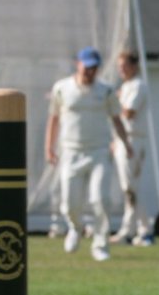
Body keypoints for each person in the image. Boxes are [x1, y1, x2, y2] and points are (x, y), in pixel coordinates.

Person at [45, 47, 133, 262]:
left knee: (100, 199)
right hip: (71, 151)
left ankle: (101, 244)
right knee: (70, 202)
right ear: (78, 64)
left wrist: (126, 144)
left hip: (99, 151)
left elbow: (116, 119)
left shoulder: (106, 90)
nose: (90, 71)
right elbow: (54, 119)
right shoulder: (62, 88)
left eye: (94, 67)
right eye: (86, 66)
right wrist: (49, 148)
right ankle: (75, 228)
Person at [108, 53, 152, 247]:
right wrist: (115, 140)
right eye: (119, 67)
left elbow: (129, 113)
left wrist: (111, 100)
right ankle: (143, 231)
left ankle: (132, 231)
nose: (121, 70)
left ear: (134, 66)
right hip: (123, 140)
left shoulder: (138, 86)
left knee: (130, 188)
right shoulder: (126, 87)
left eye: (124, 66)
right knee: (130, 187)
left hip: (134, 140)